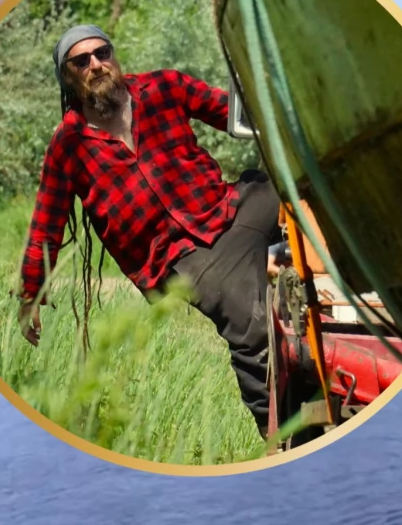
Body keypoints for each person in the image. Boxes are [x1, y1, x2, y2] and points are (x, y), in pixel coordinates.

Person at [16, 24, 280, 439]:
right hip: (181, 257)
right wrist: (30, 295)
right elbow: (45, 229)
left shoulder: (164, 87)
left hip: (229, 209)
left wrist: (282, 100)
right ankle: (283, 436)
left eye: (102, 53)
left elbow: (239, 117)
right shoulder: (68, 146)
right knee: (251, 328)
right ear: (67, 77)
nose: (96, 65)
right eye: (81, 61)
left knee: (298, 187)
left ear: (114, 56)